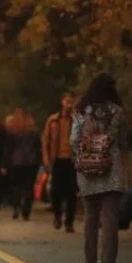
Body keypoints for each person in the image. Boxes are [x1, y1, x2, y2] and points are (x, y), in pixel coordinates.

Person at [71, 73, 125, 263]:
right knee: (110, 216)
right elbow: (122, 140)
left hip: (87, 168)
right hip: (111, 168)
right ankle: (108, 262)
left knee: (90, 216)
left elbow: (74, 140)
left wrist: (84, 155)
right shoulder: (117, 111)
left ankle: (90, 261)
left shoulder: (80, 111)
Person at [42, 92, 79, 232]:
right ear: (62, 102)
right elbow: (46, 141)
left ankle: (69, 222)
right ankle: (57, 215)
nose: (69, 104)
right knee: (55, 191)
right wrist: (46, 160)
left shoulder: (77, 120)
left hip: (72, 160)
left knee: (71, 193)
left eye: (71, 102)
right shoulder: (53, 120)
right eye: (67, 101)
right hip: (57, 160)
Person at [2, 107, 42, 221]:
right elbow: (38, 147)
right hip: (30, 162)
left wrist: (4, 164)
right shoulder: (34, 131)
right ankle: (26, 211)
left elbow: (8, 149)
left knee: (16, 187)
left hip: (16, 162)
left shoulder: (13, 131)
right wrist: (39, 160)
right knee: (29, 187)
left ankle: (16, 207)